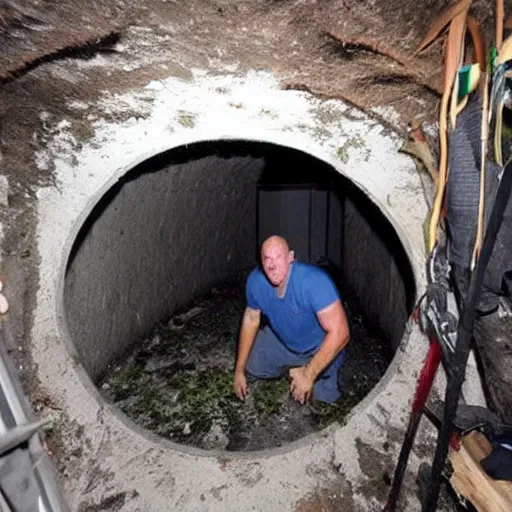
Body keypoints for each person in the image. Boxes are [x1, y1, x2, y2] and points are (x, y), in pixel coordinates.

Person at [233, 235, 350, 404]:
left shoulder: (314, 281)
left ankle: (320, 371)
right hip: (284, 342)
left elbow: (341, 332)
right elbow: (251, 318)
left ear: (290, 258)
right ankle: (294, 368)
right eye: (267, 259)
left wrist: (308, 375)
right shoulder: (255, 281)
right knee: (251, 364)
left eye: (278, 257)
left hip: (318, 346)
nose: (272, 265)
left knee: (323, 398)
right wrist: (239, 370)